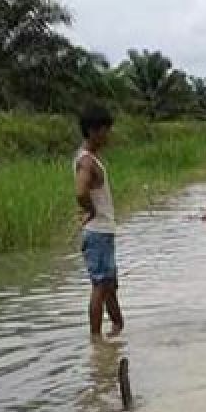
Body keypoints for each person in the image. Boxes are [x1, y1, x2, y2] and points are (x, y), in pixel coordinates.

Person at [74, 104, 124, 338]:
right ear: (94, 131)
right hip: (98, 232)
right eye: (105, 130)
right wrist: (91, 212)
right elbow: (80, 192)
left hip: (103, 232)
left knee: (109, 285)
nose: (108, 135)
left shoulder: (92, 158)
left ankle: (117, 328)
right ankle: (96, 340)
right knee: (100, 286)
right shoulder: (87, 162)